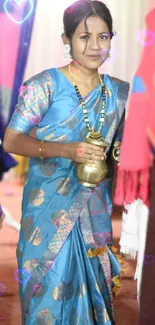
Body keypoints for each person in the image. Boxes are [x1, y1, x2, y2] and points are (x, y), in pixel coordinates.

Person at [3, 1, 129, 324]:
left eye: (103, 37)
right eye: (84, 37)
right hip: (47, 219)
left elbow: (121, 151)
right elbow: (12, 140)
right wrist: (67, 150)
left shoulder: (118, 94)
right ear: (66, 40)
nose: (94, 46)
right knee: (51, 298)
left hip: (95, 215)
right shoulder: (44, 85)